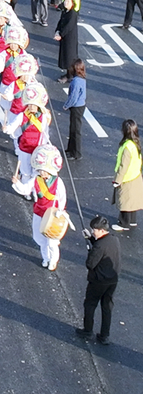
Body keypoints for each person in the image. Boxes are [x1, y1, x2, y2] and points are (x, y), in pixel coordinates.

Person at [76, 215, 120, 345]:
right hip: (112, 281)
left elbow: (90, 264)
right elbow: (103, 246)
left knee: (90, 304)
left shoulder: (99, 246)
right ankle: (104, 335)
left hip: (98, 281)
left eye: (94, 230)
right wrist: (90, 238)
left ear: (101, 230)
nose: (93, 231)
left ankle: (87, 331)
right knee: (107, 307)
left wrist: (90, 250)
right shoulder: (114, 239)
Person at [112, 119, 143, 231]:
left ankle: (124, 224)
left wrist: (117, 180)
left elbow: (123, 166)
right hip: (135, 175)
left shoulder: (126, 146)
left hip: (127, 178)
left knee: (124, 201)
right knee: (132, 201)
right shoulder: (136, 143)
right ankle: (133, 221)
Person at [64, 59, 86, 160]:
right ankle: (70, 149)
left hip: (76, 107)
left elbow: (73, 97)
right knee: (73, 128)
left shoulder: (76, 81)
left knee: (75, 130)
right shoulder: (81, 79)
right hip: (80, 106)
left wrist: (66, 105)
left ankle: (76, 153)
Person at [54, 0, 79, 82]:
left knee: (70, 57)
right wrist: (57, 30)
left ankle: (69, 75)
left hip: (70, 39)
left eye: (68, 1)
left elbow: (69, 26)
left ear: (72, 3)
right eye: (65, 1)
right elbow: (61, 22)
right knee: (66, 55)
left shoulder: (72, 13)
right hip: (65, 38)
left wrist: (61, 34)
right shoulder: (65, 11)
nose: (66, 2)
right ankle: (68, 74)